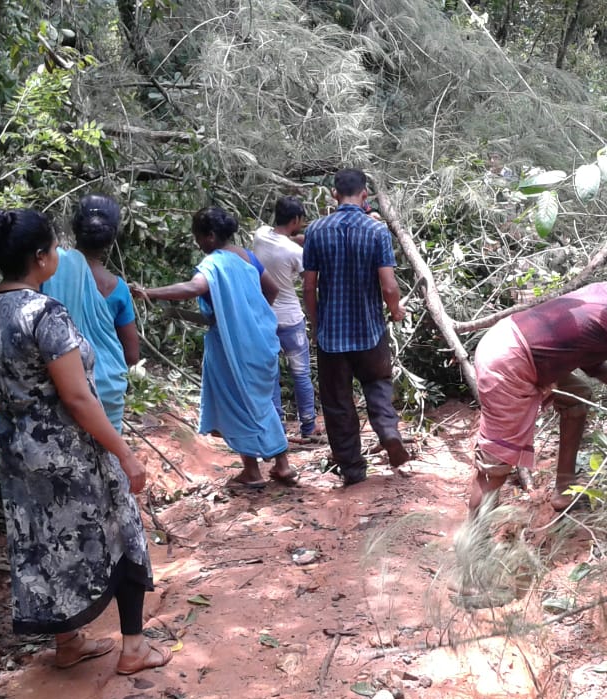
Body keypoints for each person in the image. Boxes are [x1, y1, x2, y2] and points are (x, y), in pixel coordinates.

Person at [0, 208, 169, 675]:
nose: (58, 255)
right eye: (54, 248)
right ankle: (134, 648)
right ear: (40, 258)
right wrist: (124, 452)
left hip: (18, 448)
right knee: (122, 530)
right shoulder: (46, 313)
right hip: (70, 452)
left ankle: (68, 642)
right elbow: (77, 398)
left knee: (42, 540)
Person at [0, 124, 139, 444]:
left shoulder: (43, 273)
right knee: (105, 469)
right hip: (106, 391)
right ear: (113, 236)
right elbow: (131, 354)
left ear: (73, 230)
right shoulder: (117, 289)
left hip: (51, 392)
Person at [468, 281, 607, 518]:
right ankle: (475, 540)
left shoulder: (606, 290)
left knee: (577, 396)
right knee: (495, 465)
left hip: (505, 339)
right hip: (512, 361)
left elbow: (589, 358)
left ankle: (563, 489)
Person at [131, 207, 296, 488]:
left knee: (237, 402)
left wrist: (150, 293)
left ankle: (253, 471)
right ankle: (281, 465)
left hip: (232, 345)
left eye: (198, 237)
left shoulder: (214, 263)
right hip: (261, 340)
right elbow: (272, 290)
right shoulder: (247, 256)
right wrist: (251, 314)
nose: (197, 243)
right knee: (260, 402)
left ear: (209, 236)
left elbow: (193, 288)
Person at [302, 169, 409, 486]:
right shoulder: (377, 232)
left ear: (334, 195)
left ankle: (352, 469)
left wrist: (315, 321)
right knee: (377, 385)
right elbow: (388, 286)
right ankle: (388, 431)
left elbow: (310, 286)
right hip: (370, 331)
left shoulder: (316, 231)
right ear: (365, 195)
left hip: (331, 336)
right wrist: (396, 310)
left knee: (337, 403)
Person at [251, 196, 318, 440]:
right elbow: (308, 282)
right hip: (290, 318)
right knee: (300, 373)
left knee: (271, 375)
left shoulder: (260, 234)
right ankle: (308, 427)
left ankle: (276, 428)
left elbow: (280, 238)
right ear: (296, 220)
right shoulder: (295, 252)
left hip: (264, 317)